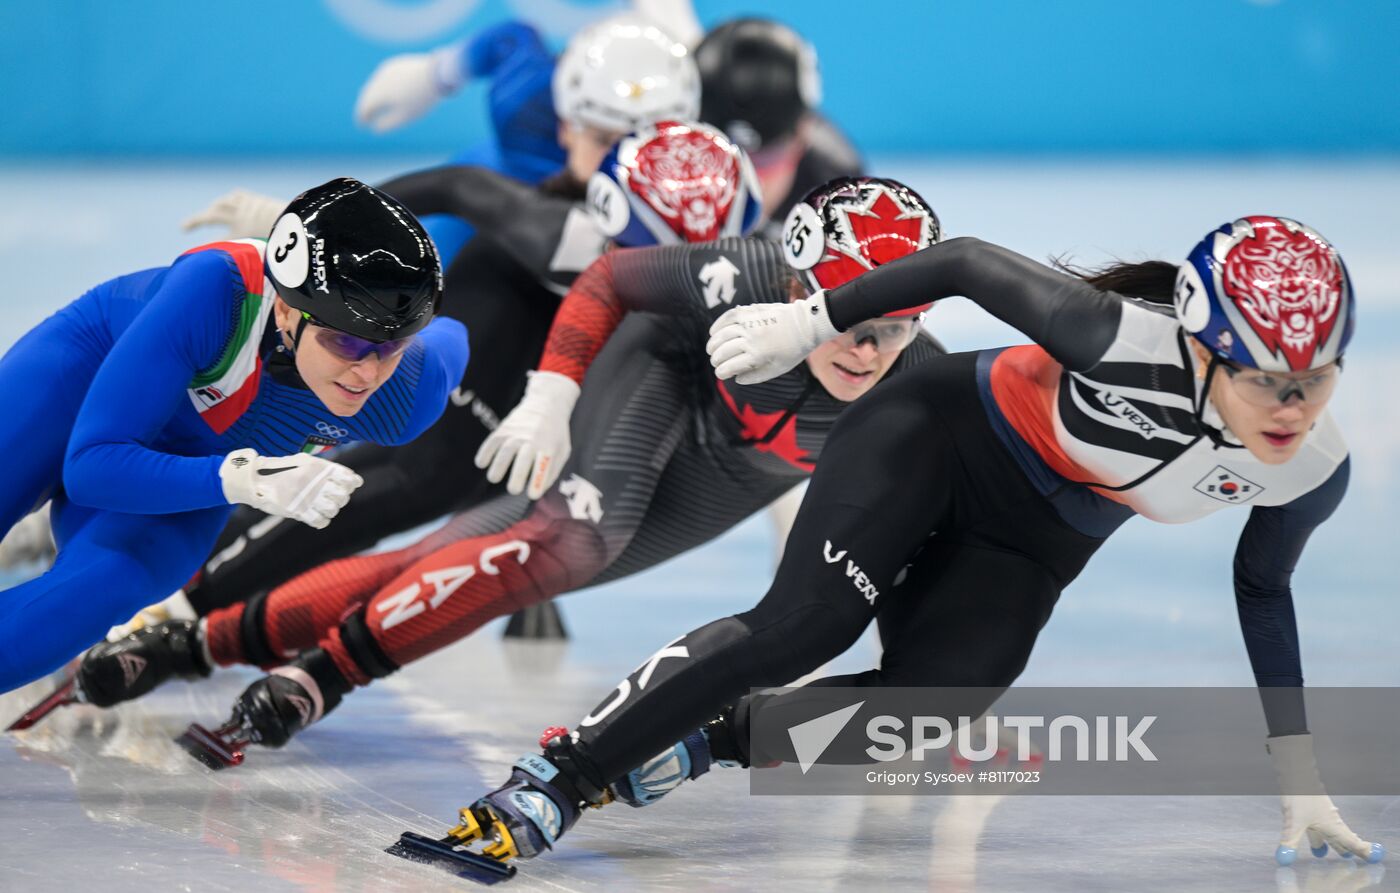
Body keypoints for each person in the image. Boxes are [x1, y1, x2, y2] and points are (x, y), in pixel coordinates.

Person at [441, 215, 1383, 868]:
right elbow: (965, 260)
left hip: (1040, 533)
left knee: (930, 709)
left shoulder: (1309, 467)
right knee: (805, 627)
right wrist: (808, 322)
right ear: (1206, 347)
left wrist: (1299, 780)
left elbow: (1264, 590)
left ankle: (705, 743)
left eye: (1319, 374)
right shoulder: (1116, 337)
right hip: (939, 432)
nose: (1294, 407)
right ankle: (558, 778)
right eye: (1267, 378)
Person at [68, 176, 945, 765]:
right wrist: (554, 393)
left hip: (744, 463)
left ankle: (195, 642)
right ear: (798, 290)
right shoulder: (739, 270)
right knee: (563, 546)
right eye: (851, 321)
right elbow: (602, 273)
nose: (868, 350)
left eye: (895, 329)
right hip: (663, 370)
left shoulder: (916, 393)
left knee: (491, 553)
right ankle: (317, 672)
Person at [120, 20, 703, 631]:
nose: (612, 156)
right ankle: (166, 575)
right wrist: (319, 229)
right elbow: (461, 180)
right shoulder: (535, 133)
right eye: (599, 134)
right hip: (470, 262)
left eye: (634, 142)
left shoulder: (689, 172)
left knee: (409, 468)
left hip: (509, 292)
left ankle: (171, 568)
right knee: (404, 471)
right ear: (562, 116)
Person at [0, 178, 467, 693]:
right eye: (346, 342)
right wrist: (241, 478)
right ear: (287, 308)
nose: (367, 372)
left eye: (393, 345)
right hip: (91, 376)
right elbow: (91, 467)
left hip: (194, 466)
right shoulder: (216, 290)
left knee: (97, 594)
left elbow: (460, 332)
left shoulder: (406, 395)